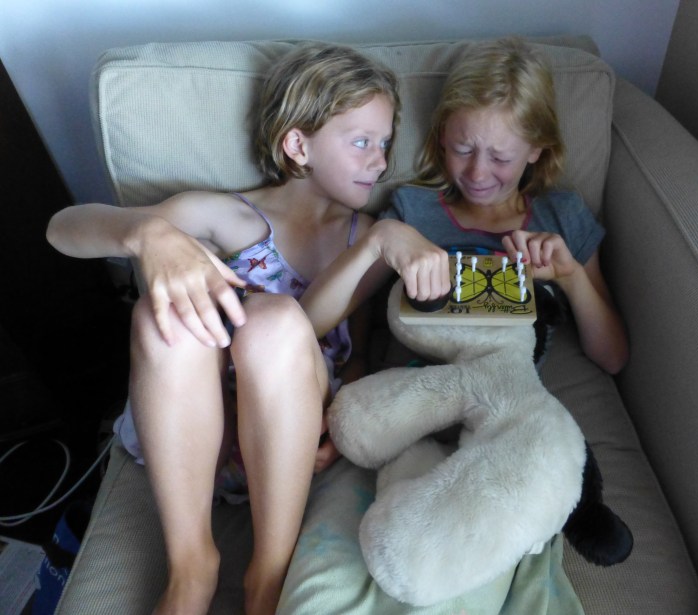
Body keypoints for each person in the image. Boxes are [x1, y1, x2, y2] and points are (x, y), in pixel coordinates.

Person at [46, 42, 449, 615]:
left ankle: (269, 573)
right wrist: (148, 235)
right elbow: (62, 228)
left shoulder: (368, 238)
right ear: (298, 144)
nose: (380, 162)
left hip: (285, 445)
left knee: (275, 322)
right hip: (191, 443)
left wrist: (384, 244)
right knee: (165, 315)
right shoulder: (229, 216)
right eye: (361, 141)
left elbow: (333, 340)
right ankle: (191, 570)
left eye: (384, 144)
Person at [305, 37, 628, 374]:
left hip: (504, 399)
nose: (477, 173)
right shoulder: (413, 211)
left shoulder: (563, 217)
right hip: (411, 392)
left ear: (536, 149)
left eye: (500, 157)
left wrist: (571, 277)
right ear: (443, 136)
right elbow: (311, 323)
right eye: (462, 150)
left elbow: (613, 357)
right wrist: (379, 239)